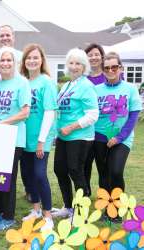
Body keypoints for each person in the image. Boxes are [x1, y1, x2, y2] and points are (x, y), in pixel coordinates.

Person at [0, 46, 31, 231]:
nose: (5, 63)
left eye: (9, 60)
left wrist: (1, 124)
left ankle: (9, 217)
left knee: (6, 179)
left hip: (13, 139)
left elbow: (25, 112)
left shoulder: (22, 83)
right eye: (2, 60)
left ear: (14, 63)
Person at [52, 48, 99, 218]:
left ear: (84, 66)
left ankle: (81, 210)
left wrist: (71, 127)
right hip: (63, 136)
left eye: (78, 63)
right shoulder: (67, 85)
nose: (74, 66)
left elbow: (93, 115)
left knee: (75, 170)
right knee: (59, 169)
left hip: (80, 136)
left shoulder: (87, 86)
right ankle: (68, 207)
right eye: (71, 63)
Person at [19, 44, 57, 231]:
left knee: (40, 175)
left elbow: (49, 112)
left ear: (42, 60)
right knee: (28, 175)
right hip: (24, 138)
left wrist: (41, 141)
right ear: (24, 61)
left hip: (40, 139)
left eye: (36, 57)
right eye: (29, 58)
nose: (32, 61)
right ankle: (36, 210)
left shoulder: (46, 82)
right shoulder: (23, 82)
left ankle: (48, 215)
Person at [94, 52, 141, 193]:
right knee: (103, 174)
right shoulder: (96, 90)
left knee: (115, 171)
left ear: (121, 68)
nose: (110, 71)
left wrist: (119, 137)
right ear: (103, 70)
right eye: (106, 68)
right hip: (99, 138)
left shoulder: (130, 88)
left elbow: (133, 116)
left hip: (122, 139)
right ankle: (107, 207)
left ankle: (116, 210)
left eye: (114, 67)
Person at [83, 43, 106, 196]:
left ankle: (104, 196)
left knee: (104, 167)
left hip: (103, 130)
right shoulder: (83, 78)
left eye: (96, 54)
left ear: (102, 56)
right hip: (85, 131)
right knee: (84, 165)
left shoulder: (109, 75)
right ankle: (85, 194)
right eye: (90, 55)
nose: (93, 57)